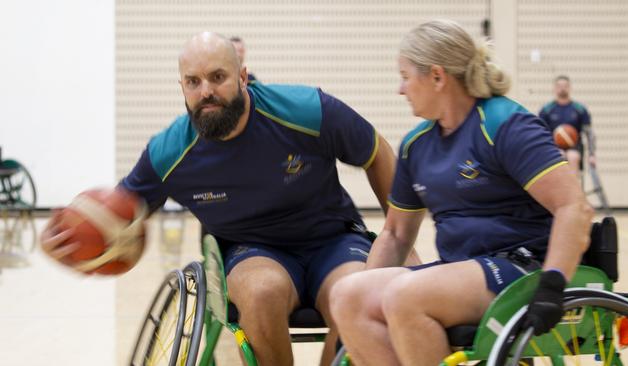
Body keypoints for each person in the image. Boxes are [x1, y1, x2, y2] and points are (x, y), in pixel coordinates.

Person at [41, 32, 400, 366]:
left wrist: (399, 235)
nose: (206, 91)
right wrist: (68, 241)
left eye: (217, 77)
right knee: (262, 293)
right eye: (193, 82)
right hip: (252, 250)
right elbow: (119, 215)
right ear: (181, 86)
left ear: (243, 77)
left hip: (334, 239)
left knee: (355, 292)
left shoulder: (307, 110)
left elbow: (376, 152)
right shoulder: (169, 152)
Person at [330, 19, 594, 366]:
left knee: (404, 297)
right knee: (348, 295)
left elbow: (573, 206)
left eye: (406, 76)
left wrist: (554, 281)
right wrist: (349, 331)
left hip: (521, 265)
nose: (400, 88)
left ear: (437, 77)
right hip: (461, 268)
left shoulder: (504, 124)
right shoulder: (415, 145)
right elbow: (395, 234)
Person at [539, 75, 596, 176]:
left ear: (570, 88)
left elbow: (589, 132)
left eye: (565, 86)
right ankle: (559, 189)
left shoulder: (579, 109)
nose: (562, 88)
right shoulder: (547, 110)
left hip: (574, 146)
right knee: (559, 155)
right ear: (554, 89)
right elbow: (540, 132)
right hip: (553, 147)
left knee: (572, 156)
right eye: (559, 86)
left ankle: (572, 189)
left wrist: (591, 155)